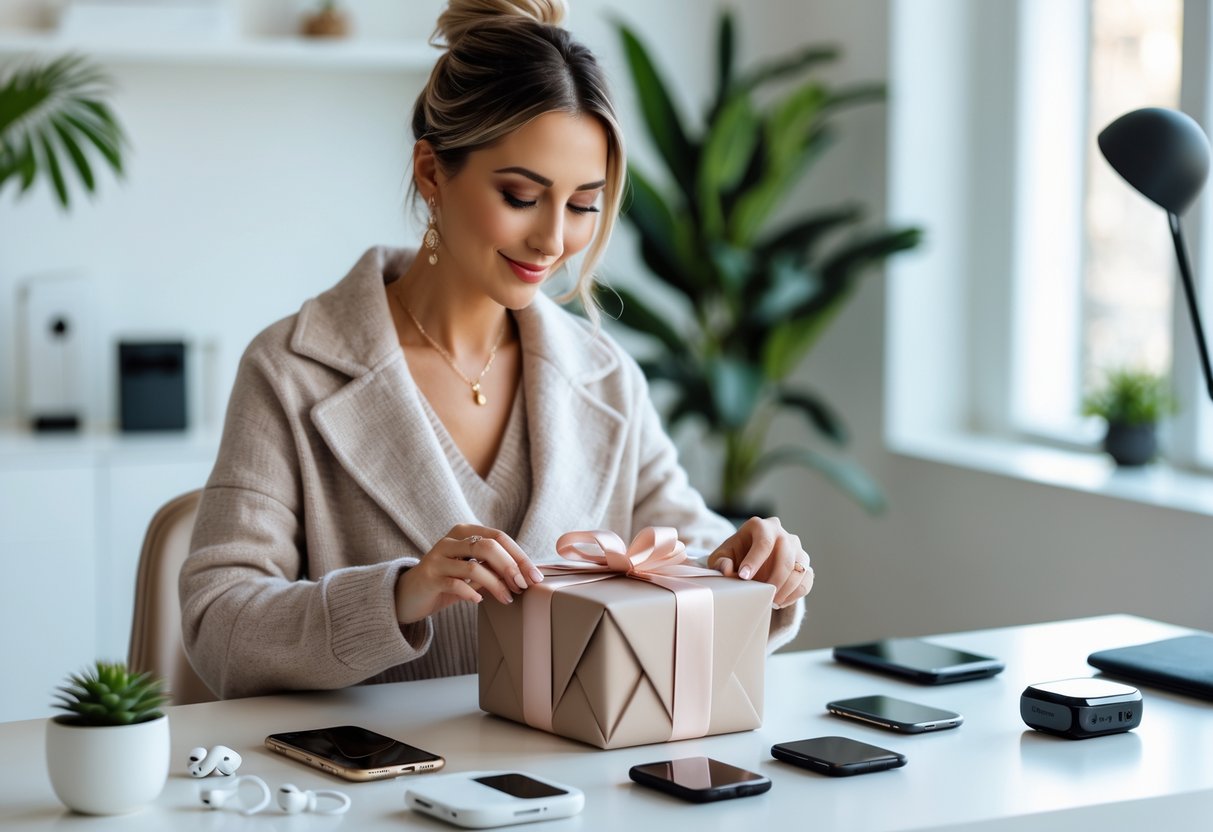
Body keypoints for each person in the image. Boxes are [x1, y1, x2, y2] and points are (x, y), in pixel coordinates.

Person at [180, 0, 813, 701]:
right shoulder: (291, 371)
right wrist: (400, 594)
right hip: (372, 787)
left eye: (582, 206)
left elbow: (693, 552)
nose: (551, 240)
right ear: (431, 174)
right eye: (520, 196)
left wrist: (754, 572)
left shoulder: (604, 379)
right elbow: (218, 627)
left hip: (569, 789)